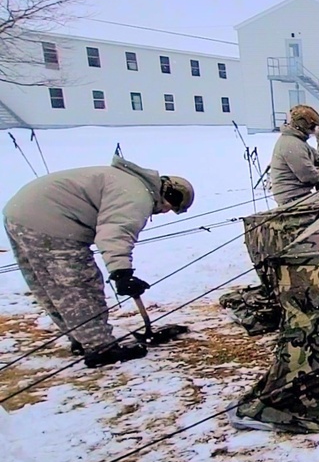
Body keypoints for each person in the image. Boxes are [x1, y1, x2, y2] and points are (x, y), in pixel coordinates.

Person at [3, 156, 195, 368]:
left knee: (50, 285)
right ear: (167, 190)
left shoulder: (127, 183)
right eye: (173, 203)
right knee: (80, 285)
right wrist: (122, 273)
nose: (167, 210)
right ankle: (100, 348)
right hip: (54, 223)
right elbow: (115, 233)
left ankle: (81, 338)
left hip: (19, 216)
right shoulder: (137, 196)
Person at [269, 104, 319, 205]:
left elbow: (311, 152)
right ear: (303, 125)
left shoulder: (296, 139)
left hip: (299, 194)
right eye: (312, 127)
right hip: (292, 198)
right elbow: (307, 175)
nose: (313, 130)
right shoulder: (292, 144)